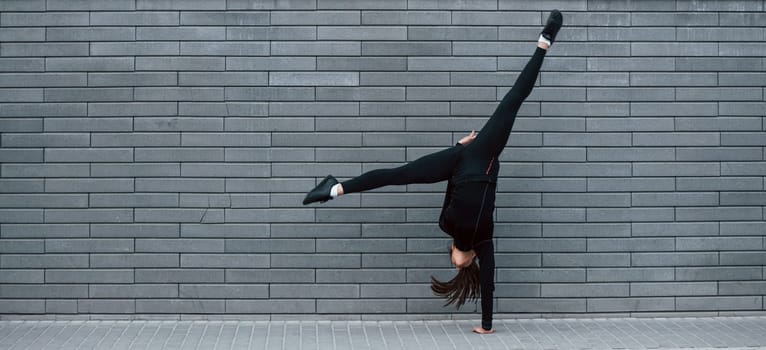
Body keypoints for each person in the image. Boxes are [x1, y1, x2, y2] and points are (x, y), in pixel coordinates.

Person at [302, 10, 563, 334]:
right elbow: (489, 282)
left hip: (459, 163)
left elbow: (451, 189)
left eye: (453, 262)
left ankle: (334, 188)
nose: (457, 264)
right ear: (471, 263)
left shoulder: (445, 225)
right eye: (461, 267)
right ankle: (544, 43)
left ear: (453, 250)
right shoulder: (484, 242)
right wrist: (487, 327)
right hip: (482, 158)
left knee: (402, 173)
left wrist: (457, 149)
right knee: (512, 102)